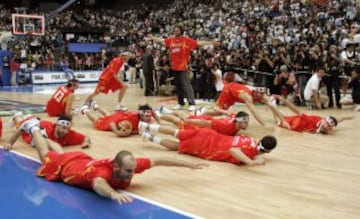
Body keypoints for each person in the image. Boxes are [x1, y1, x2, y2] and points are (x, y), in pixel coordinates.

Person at [15, 117, 208, 204]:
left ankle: (42, 135)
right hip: (65, 167)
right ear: (116, 167)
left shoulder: (128, 164)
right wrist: (112, 195)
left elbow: (158, 160)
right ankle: (33, 128)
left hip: (82, 158)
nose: (132, 175)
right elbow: (99, 184)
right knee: (44, 155)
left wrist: (189, 164)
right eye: (128, 172)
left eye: (133, 170)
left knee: (57, 150)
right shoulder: (103, 174)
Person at [148, 25, 220, 111]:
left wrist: (211, 42)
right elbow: (162, 41)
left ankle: (192, 103)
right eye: (175, 30)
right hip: (174, 67)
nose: (176, 31)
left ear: (181, 31)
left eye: (178, 30)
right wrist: (153, 38)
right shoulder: (172, 40)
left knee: (186, 86)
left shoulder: (186, 40)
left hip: (183, 67)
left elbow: (198, 42)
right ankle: (180, 103)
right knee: (178, 86)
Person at [140, 123, 277, 166]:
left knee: (177, 133)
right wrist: (251, 162)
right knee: (177, 145)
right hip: (206, 146)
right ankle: (148, 135)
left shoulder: (249, 139)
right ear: (268, 151)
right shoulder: (251, 151)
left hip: (208, 134)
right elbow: (233, 150)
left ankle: (146, 127)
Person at [271, 95, 353, 134]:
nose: (327, 127)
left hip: (301, 124)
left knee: (283, 117)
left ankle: (272, 105)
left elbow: (338, 119)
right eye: (327, 124)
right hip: (297, 124)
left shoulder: (327, 125)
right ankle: (271, 104)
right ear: (324, 121)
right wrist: (285, 101)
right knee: (277, 121)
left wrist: (347, 117)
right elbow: (297, 111)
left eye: (329, 126)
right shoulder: (311, 121)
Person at [5, 114, 91, 150]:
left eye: (68, 129)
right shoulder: (46, 126)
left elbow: (86, 138)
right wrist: (10, 143)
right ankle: (17, 116)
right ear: (57, 125)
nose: (66, 131)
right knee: (19, 123)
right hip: (28, 132)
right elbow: (22, 128)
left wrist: (86, 143)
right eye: (64, 127)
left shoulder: (70, 135)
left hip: (35, 139)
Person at [154, 106, 250, 136]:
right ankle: (159, 115)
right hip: (202, 124)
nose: (247, 125)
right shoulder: (224, 126)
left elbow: (227, 113)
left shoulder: (235, 118)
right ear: (239, 121)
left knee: (183, 116)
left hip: (207, 121)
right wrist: (188, 122)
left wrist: (216, 110)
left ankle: (166, 111)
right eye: (245, 122)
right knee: (178, 121)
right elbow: (205, 123)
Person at [80, 103, 159, 137]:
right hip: (116, 119)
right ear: (141, 115)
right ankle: (85, 110)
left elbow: (153, 112)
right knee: (96, 121)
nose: (149, 117)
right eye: (147, 117)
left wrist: (159, 122)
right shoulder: (131, 118)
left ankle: (96, 106)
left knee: (108, 115)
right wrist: (117, 132)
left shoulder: (147, 113)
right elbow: (111, 123)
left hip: (119, 116)